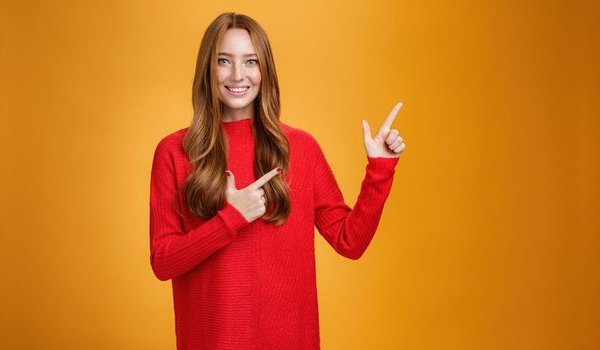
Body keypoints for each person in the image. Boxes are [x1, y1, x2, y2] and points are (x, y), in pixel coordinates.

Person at [149, 12, 407, 349]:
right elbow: (163, 261)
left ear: (265, 70)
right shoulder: (174, 152)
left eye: (251, 61)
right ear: (207, 70)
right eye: (224, 61)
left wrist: (380, 170)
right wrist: (231, 219)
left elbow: (350, 242)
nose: (238, 75)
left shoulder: (301, 148)